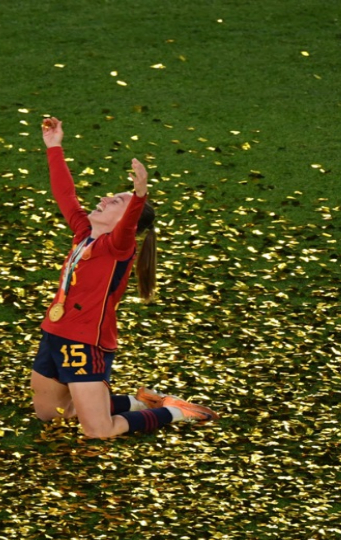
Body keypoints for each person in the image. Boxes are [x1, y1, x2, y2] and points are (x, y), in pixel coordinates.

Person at [30, 117, 219, 439]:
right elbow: (65, 193)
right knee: (52, 416)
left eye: (116, 201)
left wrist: (140, 194)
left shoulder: (119, 246)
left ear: (124, 221)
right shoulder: (84, 233)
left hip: (85, 342)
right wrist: (54, 147)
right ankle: (136, 401)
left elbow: (130, 224)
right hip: (54, 331)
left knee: (99, 431)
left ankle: (173, 412)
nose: (103, 199)